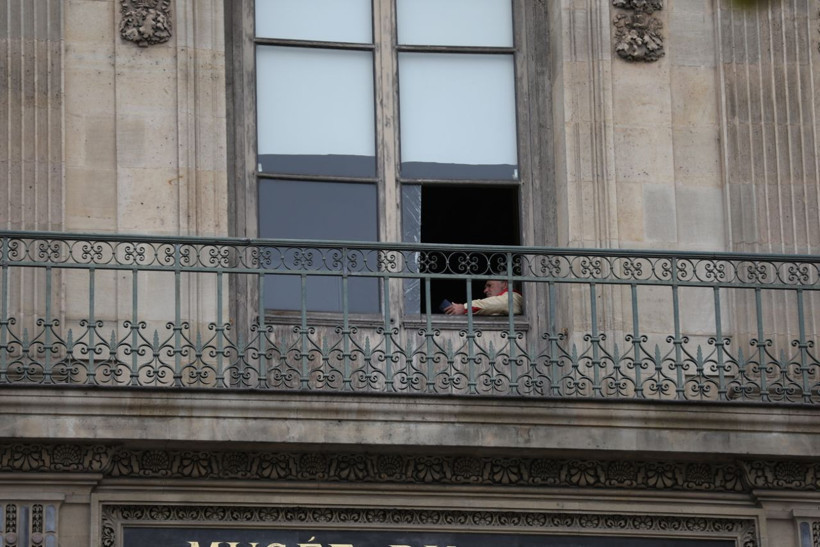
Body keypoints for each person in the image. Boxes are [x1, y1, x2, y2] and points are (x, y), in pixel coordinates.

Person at [444, 279, 522, 316]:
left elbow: (494, 304)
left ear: (504, 284)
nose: (485, 291)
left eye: (489, 285)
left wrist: (464, 308)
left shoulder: (513, 297)